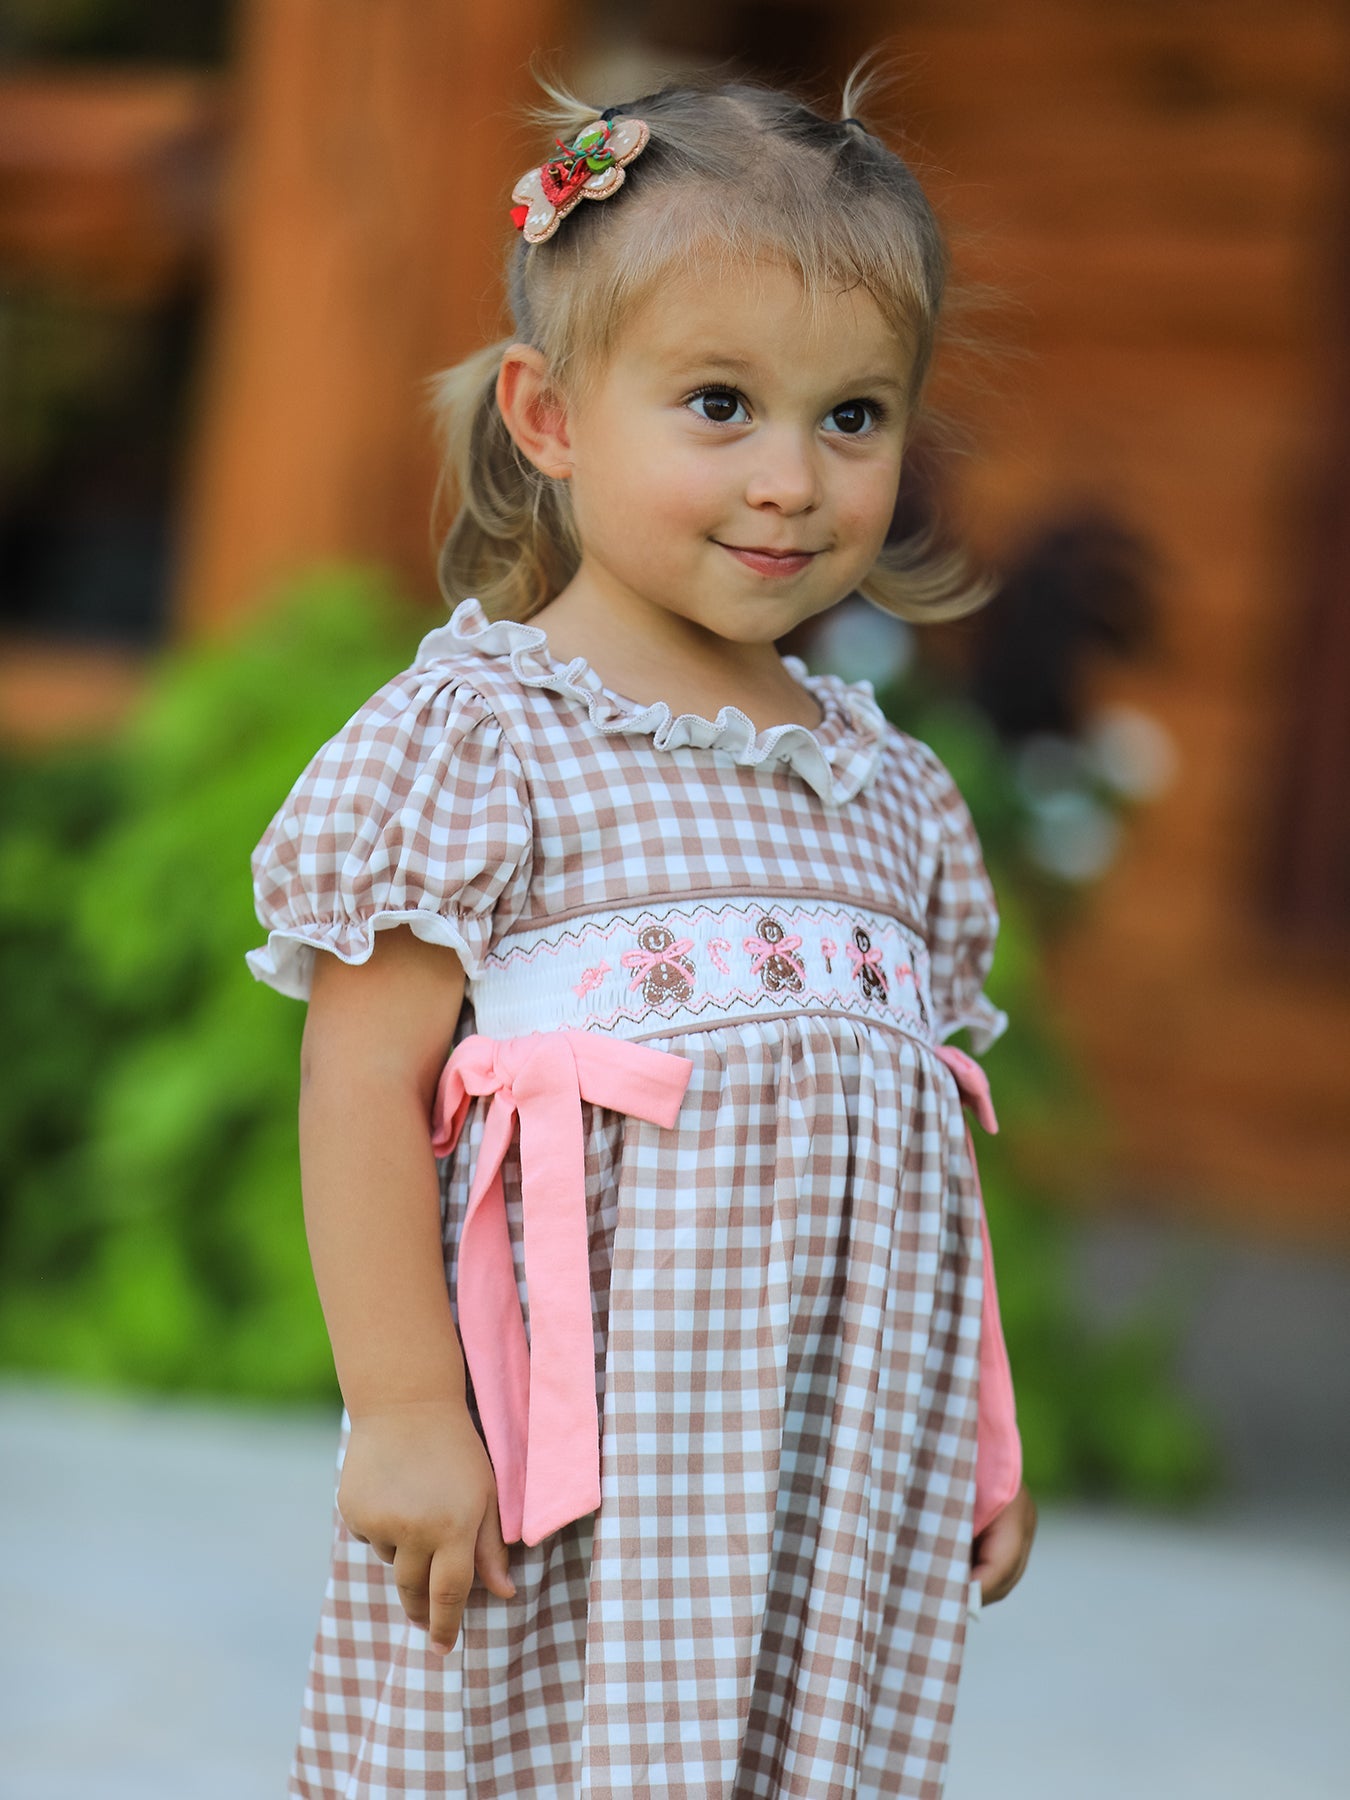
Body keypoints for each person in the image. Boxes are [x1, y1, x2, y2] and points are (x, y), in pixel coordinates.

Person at [246, 66, 1037, 1800]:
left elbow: (916, 1162)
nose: (790, 479)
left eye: (851, 418)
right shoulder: (487, 737)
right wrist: (399, 1412)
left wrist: (975, 1430)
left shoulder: (889, 792)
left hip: (829, 1486)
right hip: (572, 1466)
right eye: (717, 404)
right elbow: (359, 1079)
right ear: (547, 414)